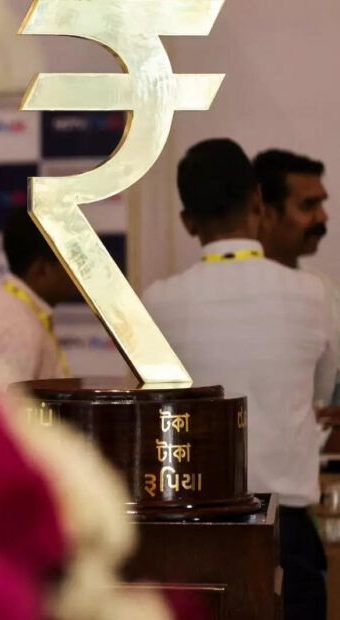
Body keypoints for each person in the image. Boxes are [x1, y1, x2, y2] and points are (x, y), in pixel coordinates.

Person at [142, 138, 338, 620]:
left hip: (192, 530)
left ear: (188, 221)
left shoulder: (157, 301)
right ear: (257, 200)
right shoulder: (314, 294)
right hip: (287, 529)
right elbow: (320, 394)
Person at [254, 148, 340, 413]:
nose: (323, 217)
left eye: (321, 204)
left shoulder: (326, 290)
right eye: (309, 205)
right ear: (266, 212)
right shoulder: (233, 293)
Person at [0, 207, 79, 386]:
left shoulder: (15, 310)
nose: (78, 270)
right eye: (70, 260)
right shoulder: (16, 328)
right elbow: (4, 403)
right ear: (42, 269)